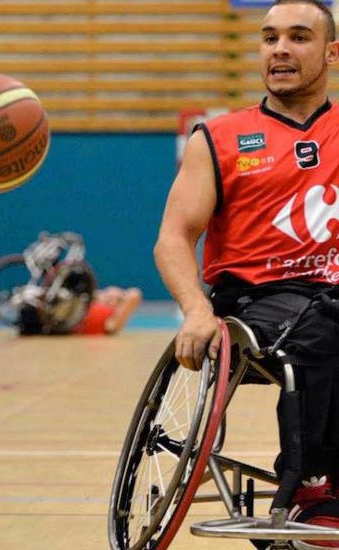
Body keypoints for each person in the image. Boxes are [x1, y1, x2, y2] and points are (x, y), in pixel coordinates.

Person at [155, 0, 339, 544]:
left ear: (331, 53)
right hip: (255, 299)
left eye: (299, 37)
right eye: (269, 37)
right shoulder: (220, 138)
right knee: (329, 321)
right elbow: (173, 239)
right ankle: (312, 483)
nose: (280, 48)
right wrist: (195, 309)